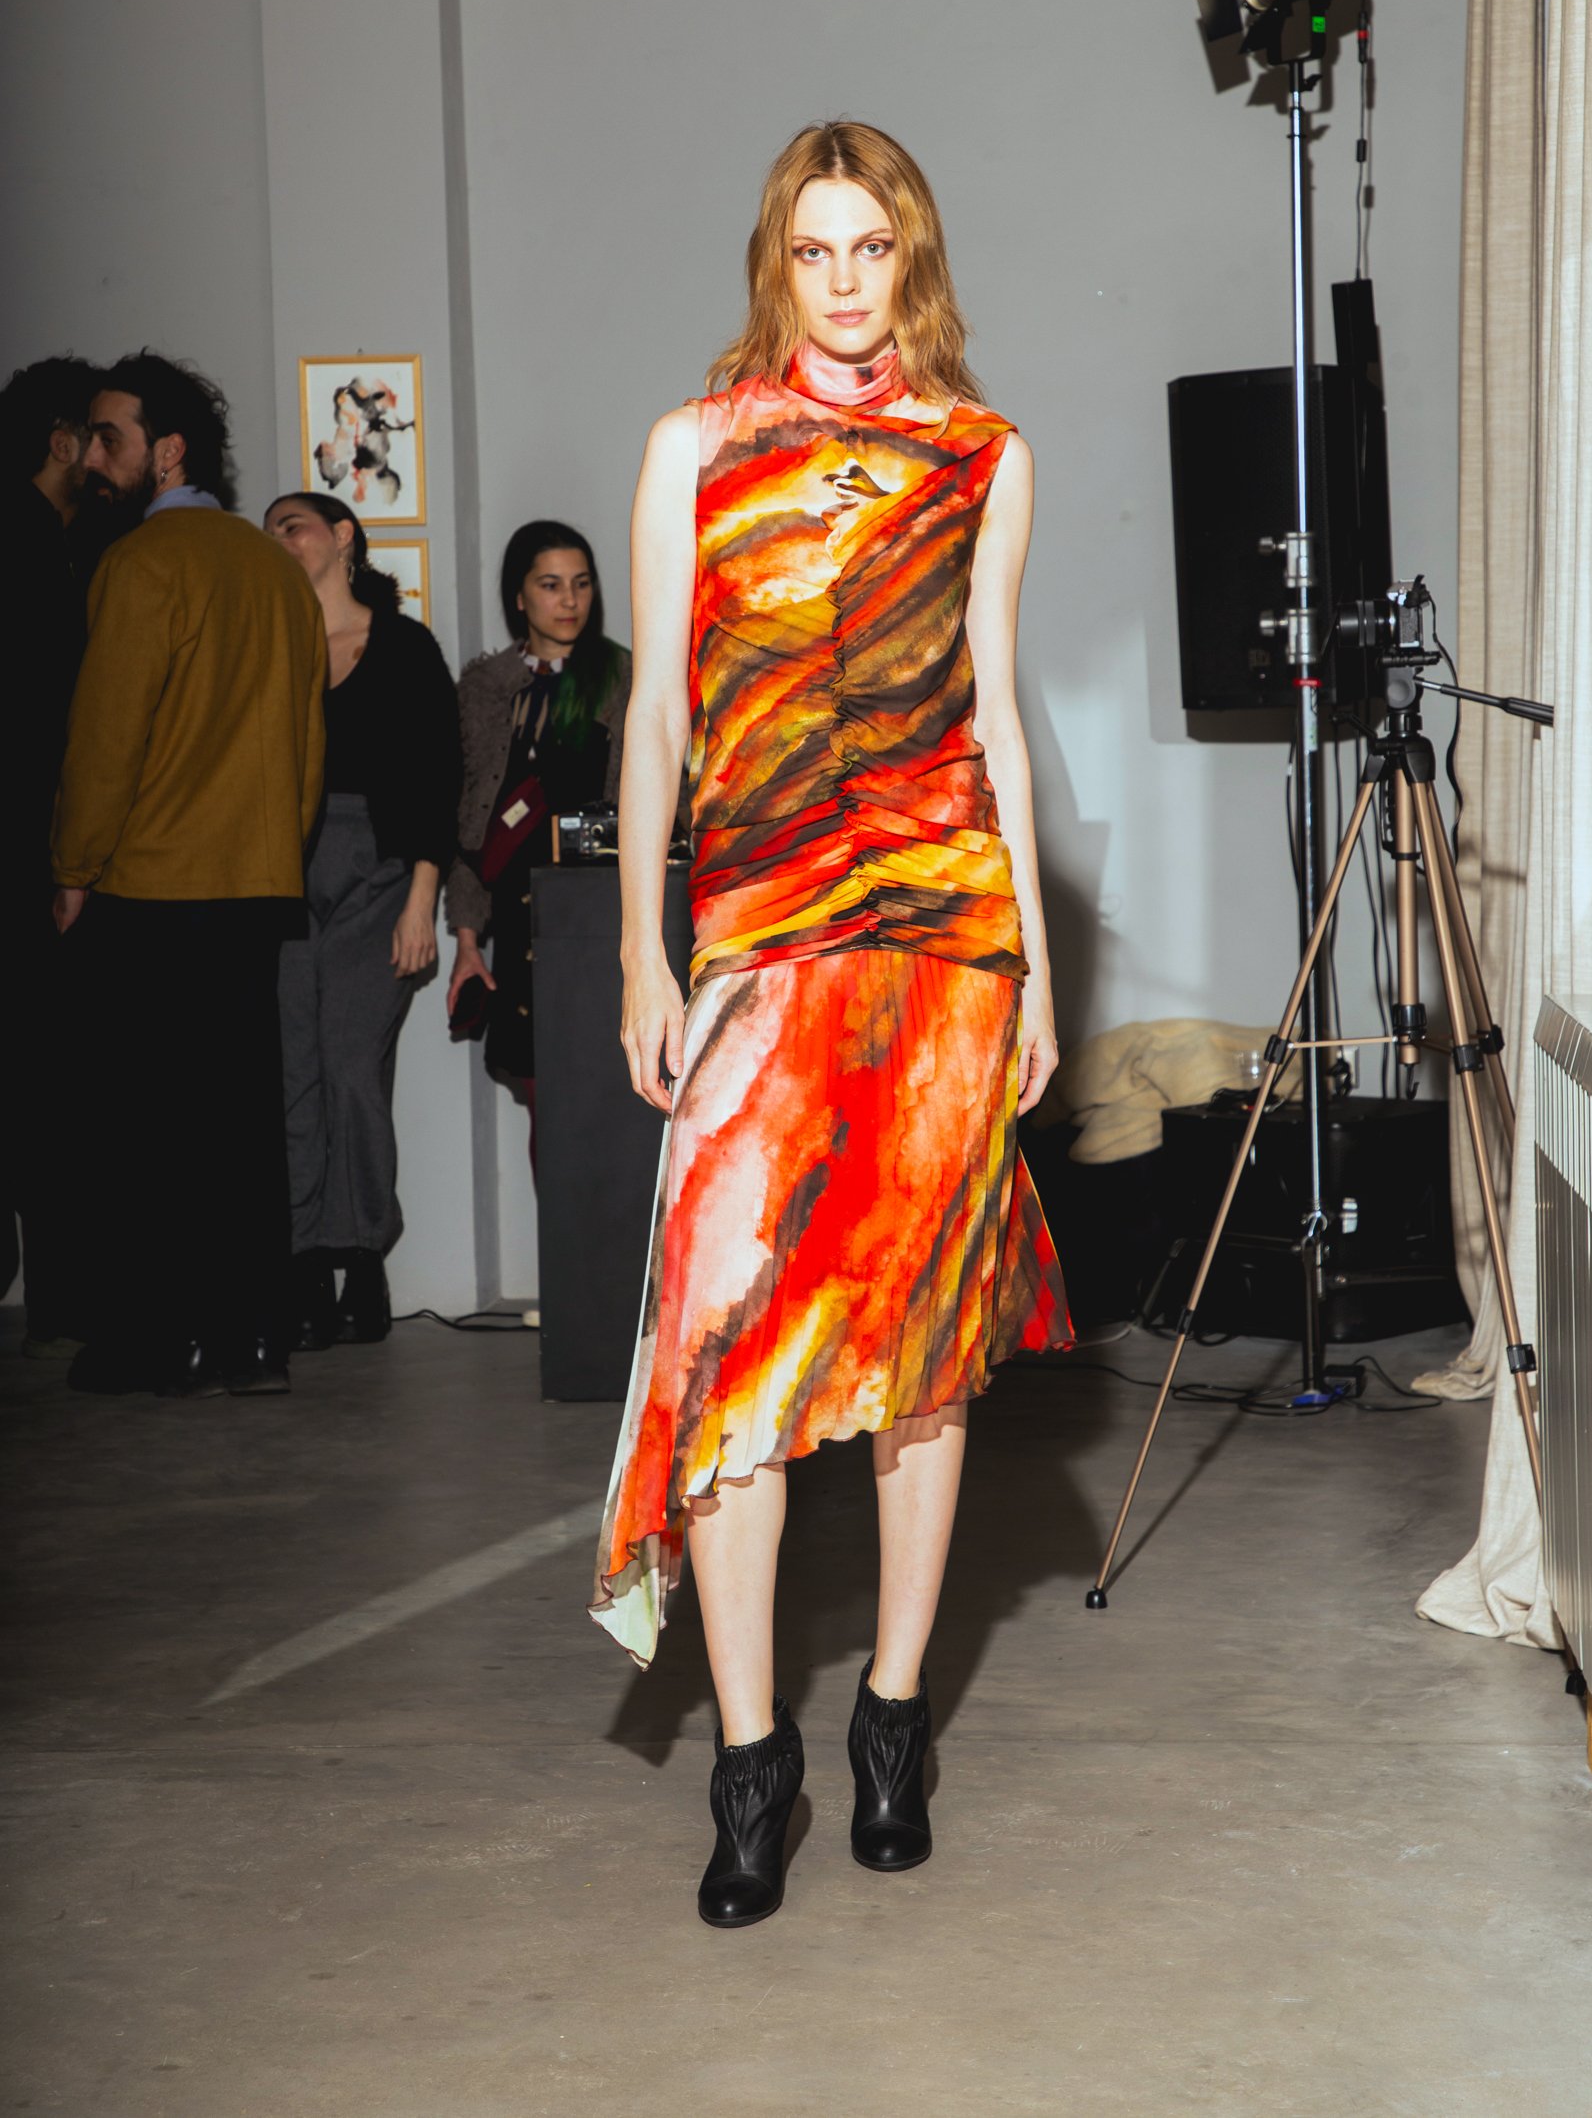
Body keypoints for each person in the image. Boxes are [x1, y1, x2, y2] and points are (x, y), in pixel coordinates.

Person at [591, 122, 1071, 1927]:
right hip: (763, 943)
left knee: (919, 1366)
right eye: (817, 250)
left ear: (914, 262)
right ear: (776, 265)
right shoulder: (694, 451)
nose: (848, 278)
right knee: (730, 1377)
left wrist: (1029, 963)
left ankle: (886, 1724)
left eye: (875, 248)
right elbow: (652, 728)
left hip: (942, 947)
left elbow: (1000, 727)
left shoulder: (982, 455)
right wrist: (647, 959)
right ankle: (746, 1765)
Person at [52, 352, 326, 1398]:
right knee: (243, 1123)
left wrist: (74, 867)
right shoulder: (273, 571)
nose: (89, 459)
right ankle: (255, 1335)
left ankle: (161, 1341)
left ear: (167, 451)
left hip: (153, 887)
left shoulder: (140, 565)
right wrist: (275, 857)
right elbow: (306, 749)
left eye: (108, 437)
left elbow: (105, 738)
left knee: (149, 1129)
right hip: (255, 886)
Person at [265, 494, 461, 1349]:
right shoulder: (270, 647)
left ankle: (364, 1256)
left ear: (343, 538)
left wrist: (423, 897)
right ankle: (307, 1258)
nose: (279, 540)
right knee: (290, 1073)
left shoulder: (404, 645)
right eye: (269, 530)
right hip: (279, 873)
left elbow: (434, 776)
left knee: (348, 1063)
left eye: (293, 524)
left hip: (381, 872)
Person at [445, 524, 631, 1139]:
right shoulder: (485, 688)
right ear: (519, 597)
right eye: (550, 586)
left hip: (599, 922)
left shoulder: (619, 677)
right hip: (518, 931)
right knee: (546, 1113)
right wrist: (467, 942)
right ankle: (560, 1239)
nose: (569, 601)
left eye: (581, 584)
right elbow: (469, 824)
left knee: (608, 1111)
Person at [1, 356, 96, 1354]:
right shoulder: (37, 551)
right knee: (45, 1073)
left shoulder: (53, 543)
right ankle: (61, 1290)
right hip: (35, 850)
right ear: (62, 440)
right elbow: (60, 727)